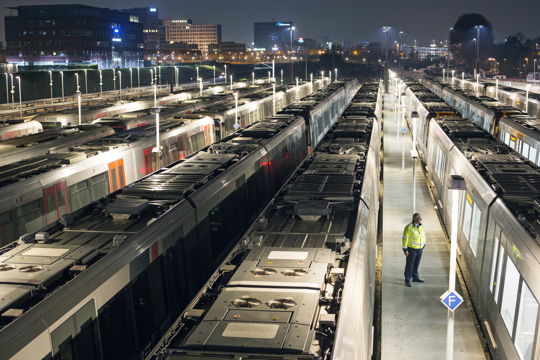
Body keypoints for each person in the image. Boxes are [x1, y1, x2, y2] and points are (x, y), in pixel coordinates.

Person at [402, 213, 426, 287]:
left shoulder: (421, 226)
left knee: (416, 263)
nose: (421, 220)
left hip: (420, 248)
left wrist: (423, 244)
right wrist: (405, 249)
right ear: (415, 219)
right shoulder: (408, 227)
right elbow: (405, 239)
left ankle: (415, 277)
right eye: (420, 218)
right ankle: (407, 279)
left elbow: (424, 235)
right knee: (410, 264)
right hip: (411, 249)